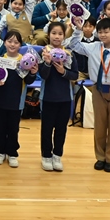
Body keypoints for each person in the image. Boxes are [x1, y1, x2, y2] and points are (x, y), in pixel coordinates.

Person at [66, 17, 110, 173]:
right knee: (99, 125)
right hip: (98, 89)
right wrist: (78, 29)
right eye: (100, 32)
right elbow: (74, 45)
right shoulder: (93, 47)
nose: (103, 35)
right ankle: (100, 157)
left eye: (106, 32)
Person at [37, 22, 76, 171]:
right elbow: (43, 76)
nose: (57, 36)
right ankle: (46, 156)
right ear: (48, 35)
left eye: (60, 34)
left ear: (64, 36)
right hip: (47, 97)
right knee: (46, 129)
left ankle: (57, 156)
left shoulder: (69, 54)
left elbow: (75, 75)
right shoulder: (43, 53)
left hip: (65, 98)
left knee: (61, 129)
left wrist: (63, 71)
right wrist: (47, 63)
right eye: (54, 33)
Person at [0, 31, 30, 167]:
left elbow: (29, 80)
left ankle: (12, 153)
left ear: (20, 45)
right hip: (0, 100)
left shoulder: (24, 61)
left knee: (13, 128)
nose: (12, 44)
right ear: (4, 42)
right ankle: (0, 152)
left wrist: (33, 71)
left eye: (16, 42)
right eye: (9, 41)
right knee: (0, 128)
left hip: (16, 101)